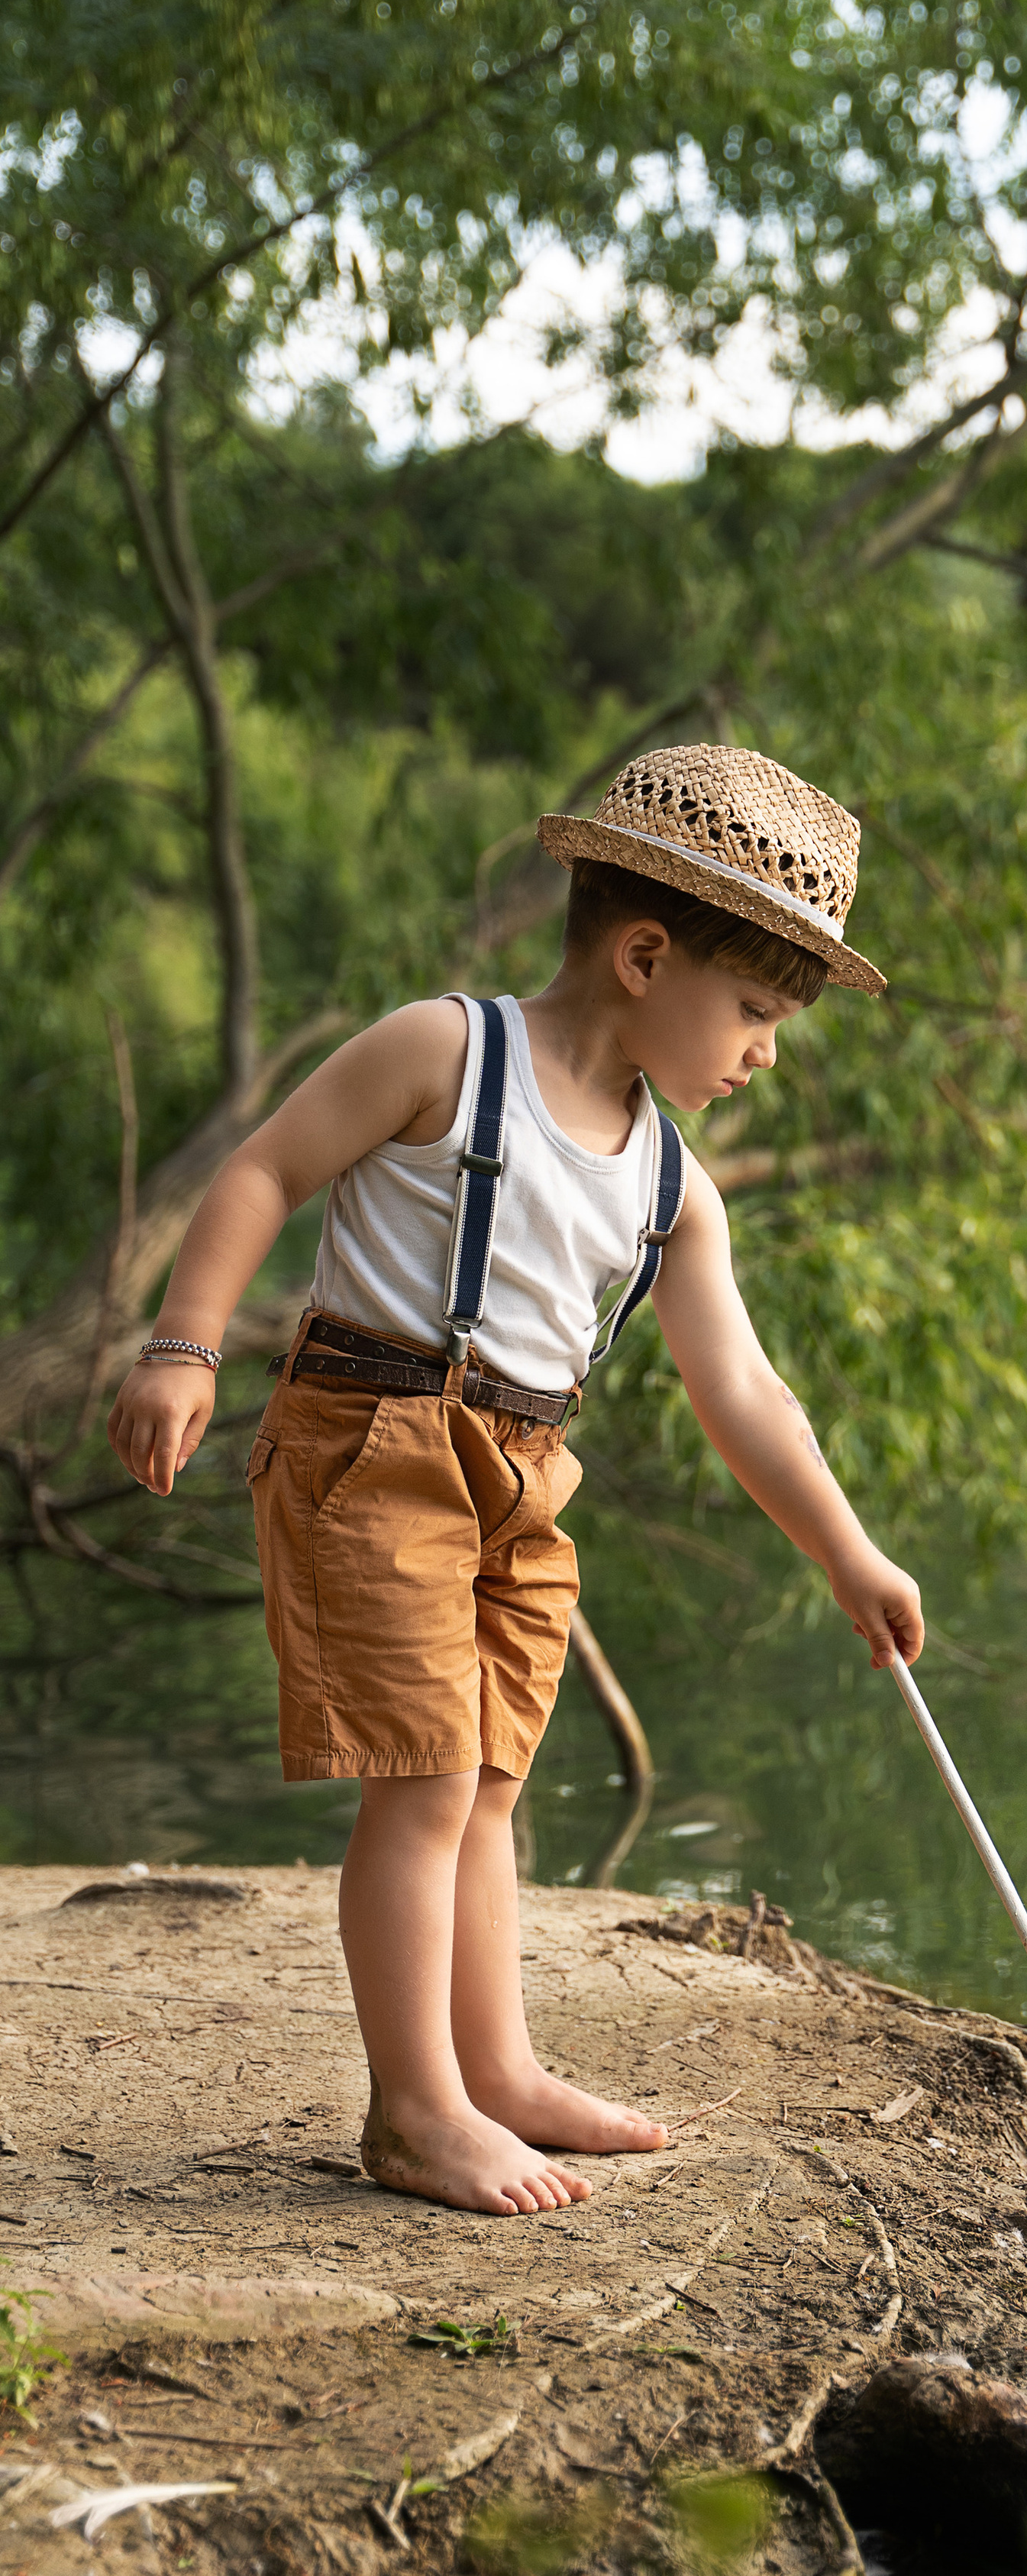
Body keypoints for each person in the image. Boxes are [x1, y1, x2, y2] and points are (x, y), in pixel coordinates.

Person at [106, 745, 924, 2218]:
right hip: (375, 1445)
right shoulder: (444, 1052)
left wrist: (846, 1554)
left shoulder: (672, 1187)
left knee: (486, 1784)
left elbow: (743, 1392)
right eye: (752, 1011)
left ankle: (494, 2069)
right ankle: (415, 2111)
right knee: (420, 1785)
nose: (765, 1052)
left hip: (523, 1473)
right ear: (645, 954)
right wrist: (183, 1347)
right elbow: (261, 1174)